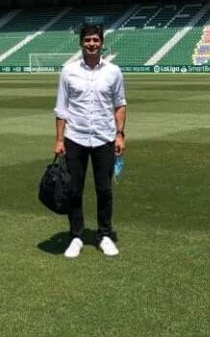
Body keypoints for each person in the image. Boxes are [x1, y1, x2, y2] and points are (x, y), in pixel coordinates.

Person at [54, 23, 127, 258]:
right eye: (87, 40)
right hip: (75, 138)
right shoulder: (68, 71)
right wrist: (59, 140)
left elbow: (120, 105)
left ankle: (104, 235)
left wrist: (120, 134)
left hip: (104, 138)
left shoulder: (113, 71)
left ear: (102, 43)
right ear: (81, 43)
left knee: (104, 190)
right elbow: (61, 108)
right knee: (74, 190)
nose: (92, 44)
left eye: (96, 40)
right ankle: (76, 236)